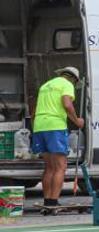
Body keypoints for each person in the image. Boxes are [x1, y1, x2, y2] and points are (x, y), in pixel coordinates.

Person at [32, 67, 84, 207]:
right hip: (55, 126)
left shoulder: (45, 86)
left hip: (39, 125)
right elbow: (67, 104)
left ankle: (47, 201)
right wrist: (77, 120)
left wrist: (35, 125)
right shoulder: (66, 84)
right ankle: (54, 202)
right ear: (73, 79)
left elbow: (35, 108)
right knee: (60, 167)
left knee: (49, 167)